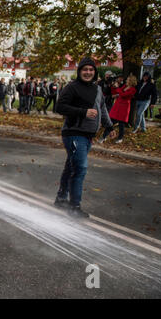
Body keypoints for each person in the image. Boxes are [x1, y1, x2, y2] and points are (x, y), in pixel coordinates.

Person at [54, 57, 116, 218]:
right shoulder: (72, 87)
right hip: (73, 134)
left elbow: (102, 109)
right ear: (79, 71)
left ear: (94, 72)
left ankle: (61, 198)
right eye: (84, 69)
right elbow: (59, 107)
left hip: (88, 136)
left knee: (71, 166)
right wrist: (83, 112)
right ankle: (74, 206)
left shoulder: (97, 90)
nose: (88, 72)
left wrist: (109, 127)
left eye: (91, 70)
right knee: (80, 168)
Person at [99, 74, 137, 144]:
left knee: (121, 124)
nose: (126, 80)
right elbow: (117, 91)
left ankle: (120, 138)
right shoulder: (125, 86)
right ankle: (104, 137)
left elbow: (123, 95)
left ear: (131, 81)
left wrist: (118, 89)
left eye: (128, 79)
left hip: (124, 108)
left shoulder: (133, 89)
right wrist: (115, 87)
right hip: (117, 106)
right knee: (110, 122)